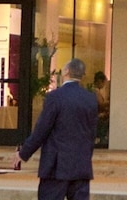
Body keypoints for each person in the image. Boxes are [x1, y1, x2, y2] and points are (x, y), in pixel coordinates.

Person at [13, 59, 98, 200]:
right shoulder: (90, 99)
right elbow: (91, 133)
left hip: (57, 166)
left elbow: (42, 129)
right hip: (81, 166)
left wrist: (23, 153)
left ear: (66, 72)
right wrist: (86, 156)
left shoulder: (55, 97)